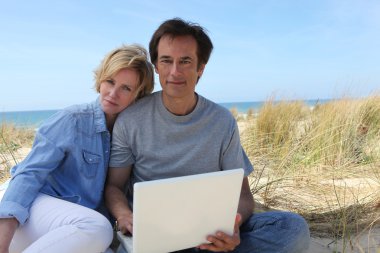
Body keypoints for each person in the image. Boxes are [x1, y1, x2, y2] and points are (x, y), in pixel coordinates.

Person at [105, 18, 310, 253]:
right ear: (156, 67)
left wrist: (234, 225)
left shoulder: (222, 122)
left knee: (292, 227)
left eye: (185, 61)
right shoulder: (130, 120)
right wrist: (124, 215)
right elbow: (114, 187)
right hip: (154, 239)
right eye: (166, 61)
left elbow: (243, 196)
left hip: (208, 237)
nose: (175, 71)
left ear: (200, 67)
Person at [0, 44, 154, 253]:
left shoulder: (131, 135)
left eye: (126, 88)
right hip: (35, 212)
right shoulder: (72, 119)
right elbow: (28, 174)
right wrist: (3, 240)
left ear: (138, 95)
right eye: (110, 81)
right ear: (101, 79)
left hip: (74, 230)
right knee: (97, 227)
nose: (113, 93)